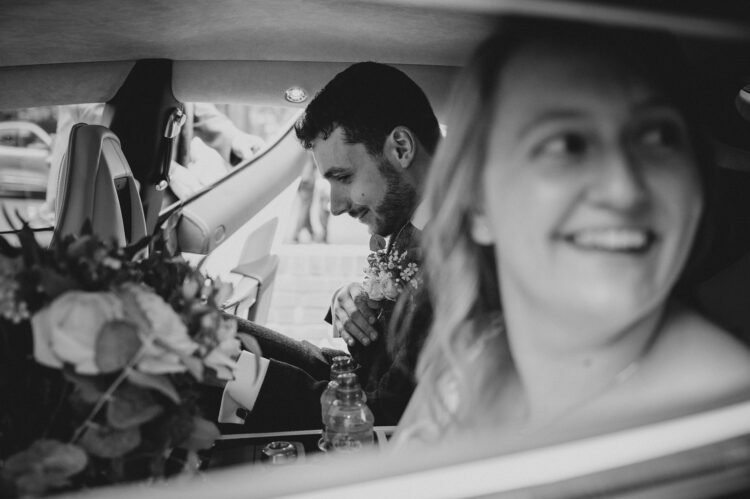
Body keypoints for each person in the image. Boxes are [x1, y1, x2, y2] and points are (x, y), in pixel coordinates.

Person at [395, 17, 750, 445]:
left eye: (658, 136)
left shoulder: (725, 420)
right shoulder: (469, 355)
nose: (624, 189)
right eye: (566, 143)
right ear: (478, 204)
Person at [217, 62, 440, 430]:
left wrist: (237, 375)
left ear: (401, 148)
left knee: (215, 359)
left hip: (373, 437)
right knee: (208, 329)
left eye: (344, 177)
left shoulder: (461, 254)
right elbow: (386, 368)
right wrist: (355, 309)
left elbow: (386, 418)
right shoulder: (411, 230)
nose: (335, 206)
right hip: (360, 387)